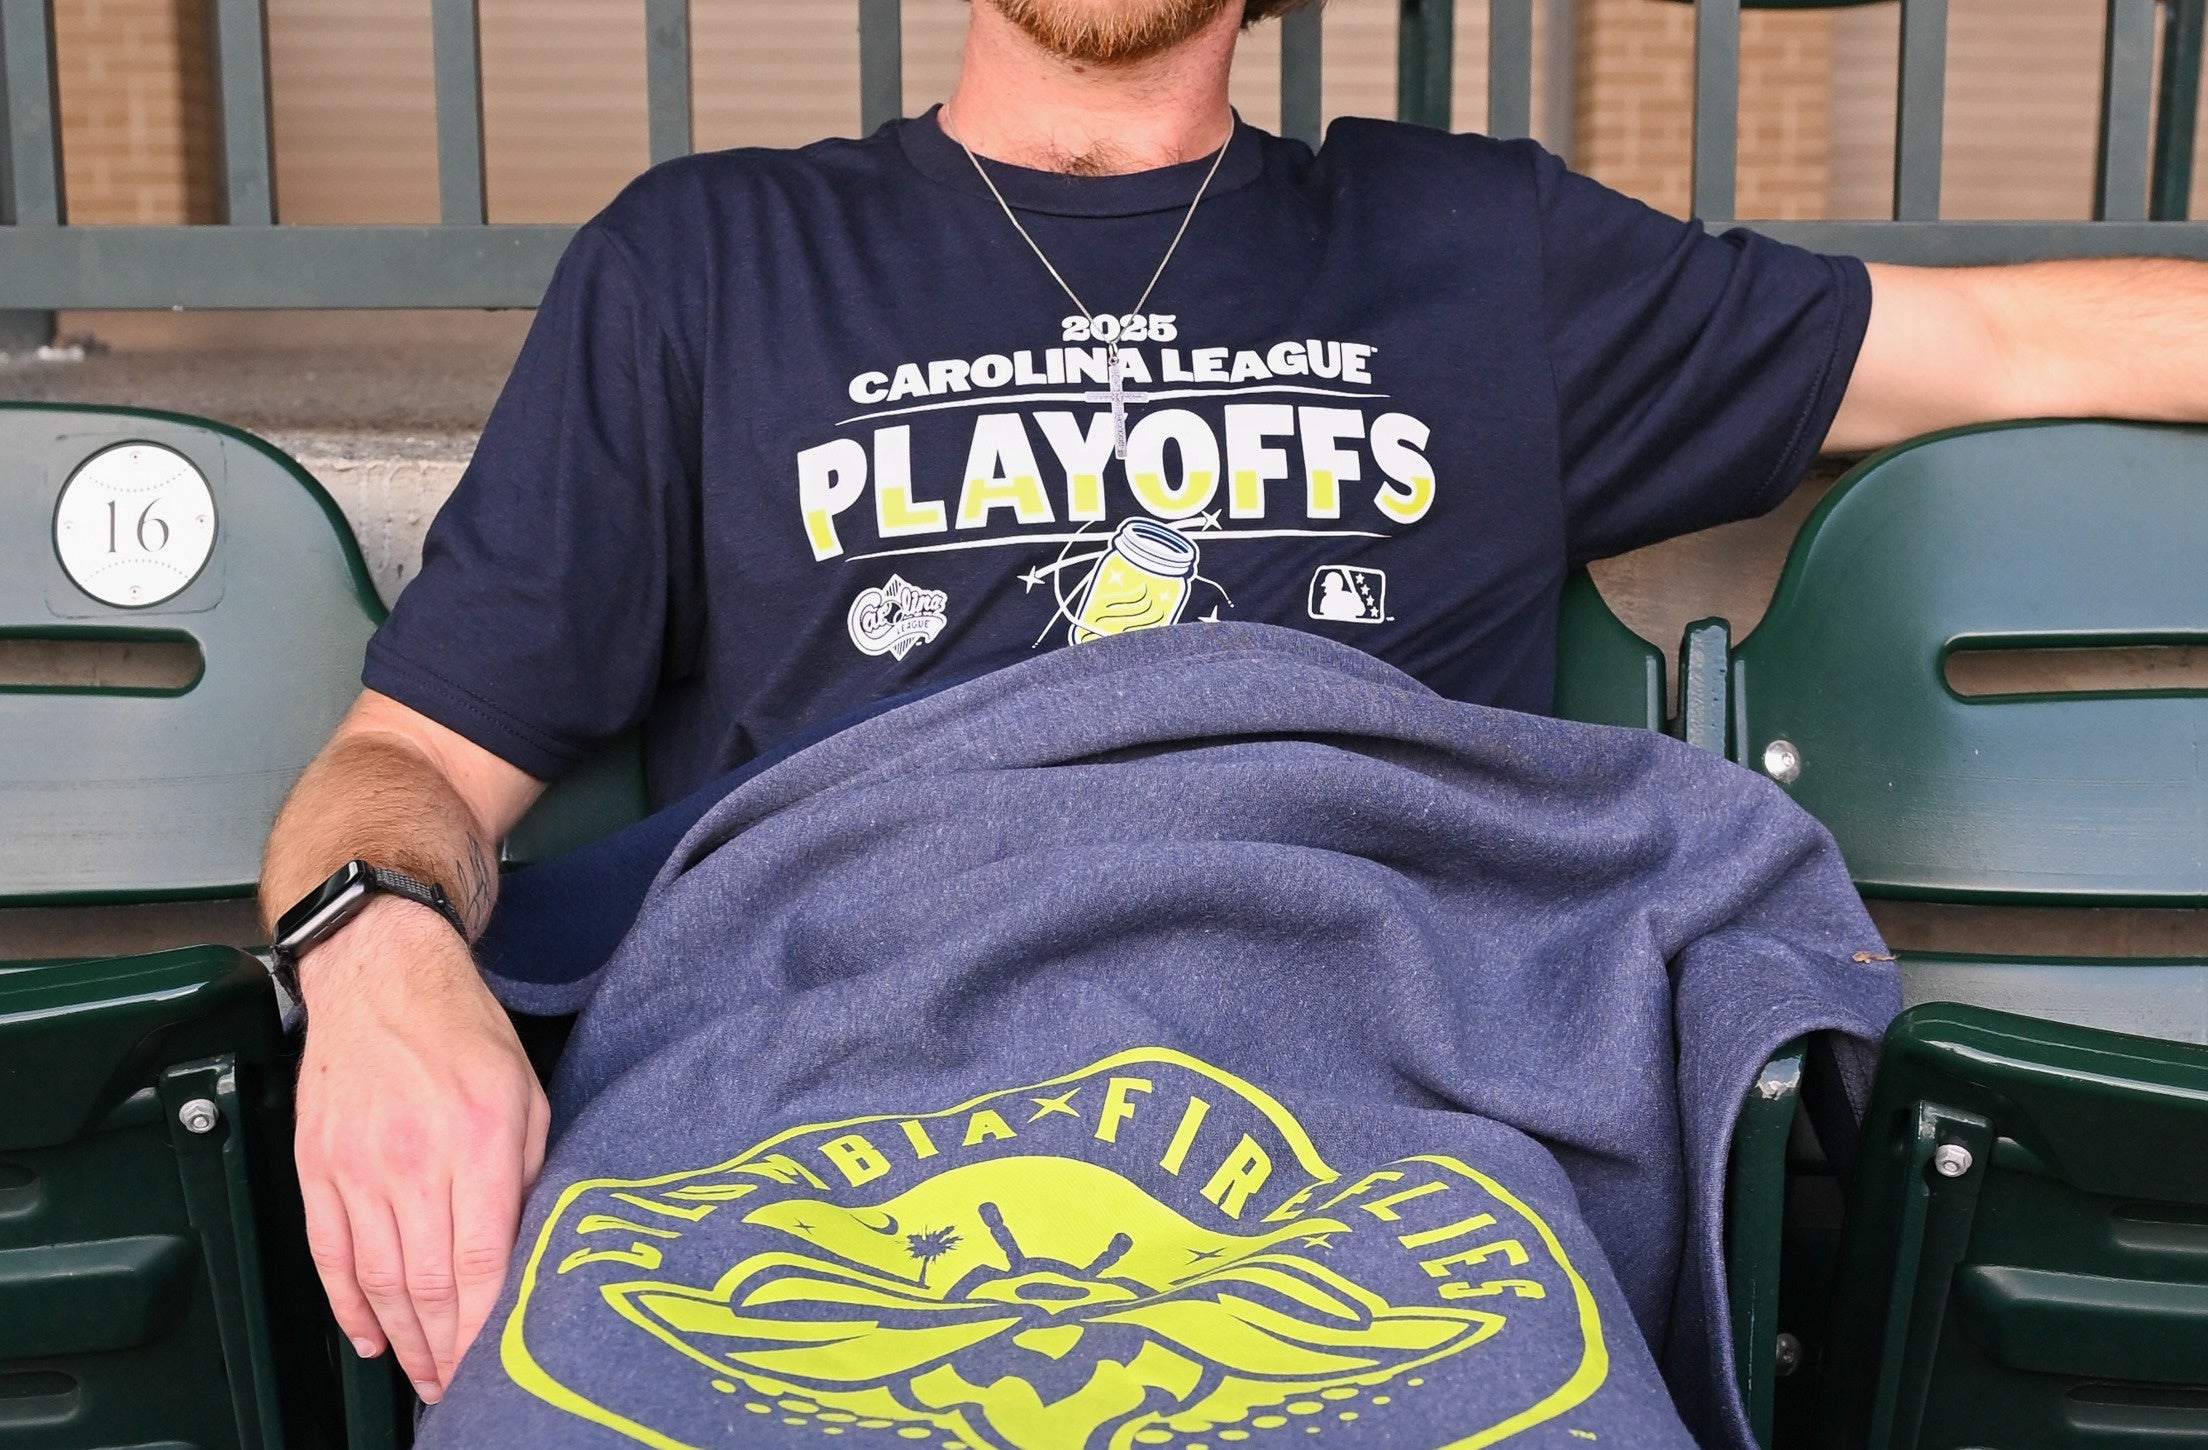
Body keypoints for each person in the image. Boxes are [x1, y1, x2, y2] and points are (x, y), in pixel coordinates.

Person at [257, 0, 2208, 1409]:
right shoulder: (708, 259)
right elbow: (407, 757)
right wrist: (376, 953)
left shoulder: (1484, 252)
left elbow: (2003, 337)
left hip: (1363, 1126)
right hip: (812, 1105)